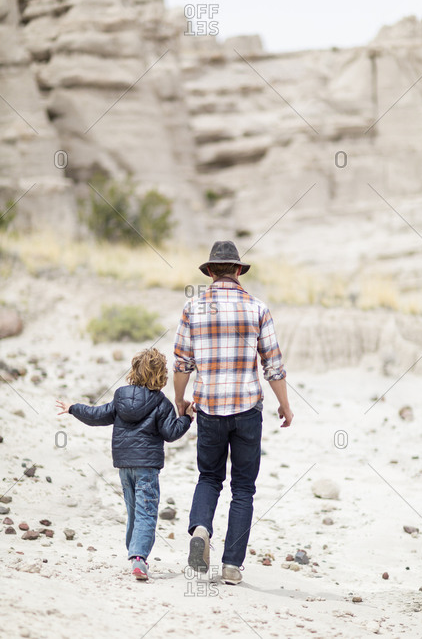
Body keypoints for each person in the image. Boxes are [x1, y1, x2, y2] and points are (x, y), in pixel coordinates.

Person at [173, 240, 294, 585]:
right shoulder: (257, 307)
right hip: (247, 410)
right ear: (239, 270)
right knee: (243, 488)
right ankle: (231, 566)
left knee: (209, 478)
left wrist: (180, 400)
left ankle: (200, 530)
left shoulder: (193, 307)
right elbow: (273, 365)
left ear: (210, 271)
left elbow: (182, 362)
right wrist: (285, 404)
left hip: (209, 408)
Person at [56, 348, 194, 581]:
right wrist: (187, 418)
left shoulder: (120, 396)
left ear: (134, 371)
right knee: (146, 512)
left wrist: (73, 408)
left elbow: (96, 415)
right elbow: (171, 433)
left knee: (133, 511)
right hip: (147, 467)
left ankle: (134, 555)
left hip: (124, 465)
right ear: (161, 375)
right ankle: (139, 559)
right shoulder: (161, 402)